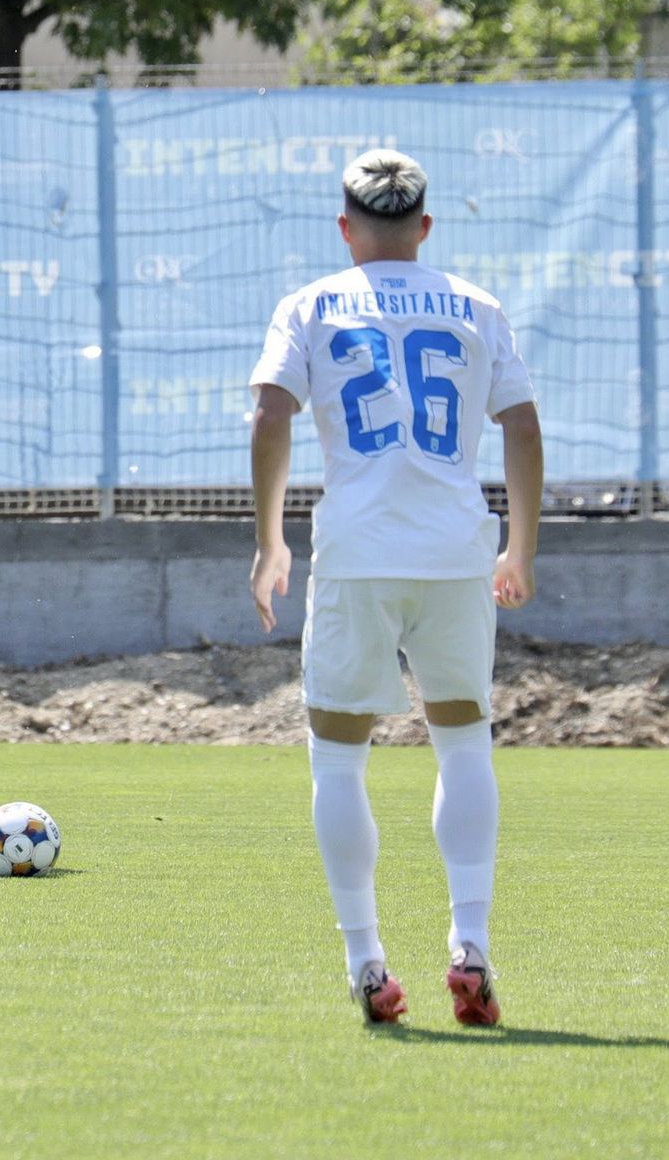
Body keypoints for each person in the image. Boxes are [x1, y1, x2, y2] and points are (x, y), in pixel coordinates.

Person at [248, 150, 543, 1026]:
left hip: (358, 552)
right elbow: (521, 423)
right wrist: (519, 546)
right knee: (464, 743)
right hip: (456, 551)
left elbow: (270, 414)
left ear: (346, 229)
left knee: (339, 756)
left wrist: (269, 542)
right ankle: (471, 943)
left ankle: (367, 961)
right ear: (424, 227)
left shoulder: (310, 303)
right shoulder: (476, 305)